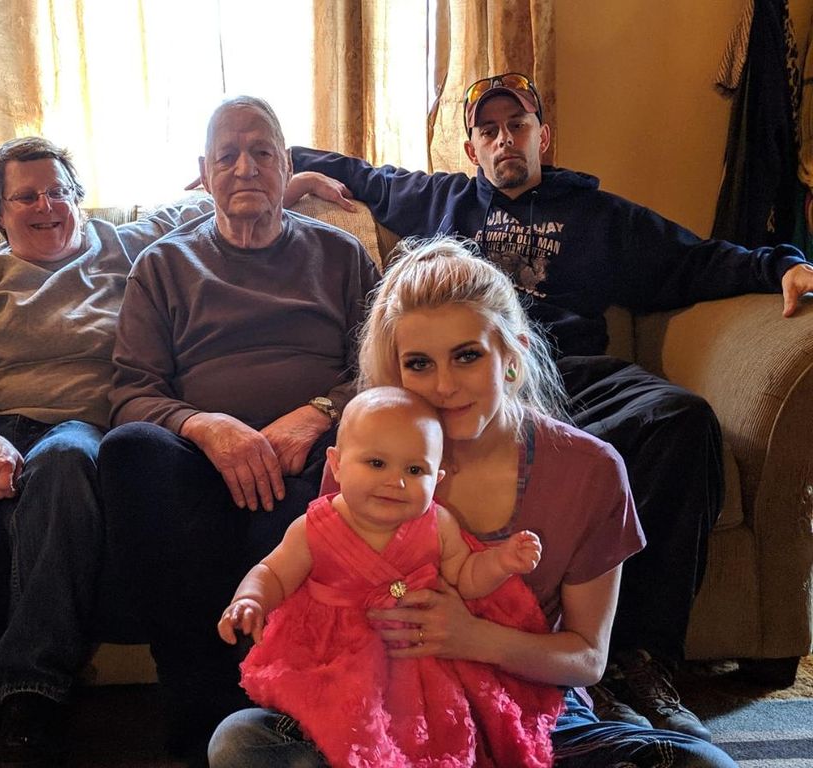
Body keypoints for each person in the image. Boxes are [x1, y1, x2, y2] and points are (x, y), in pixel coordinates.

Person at [285, 71, 813, 739]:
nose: (504, 138)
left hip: (574, 374)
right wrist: (285, 168)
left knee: (681, 421)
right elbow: (362, 174)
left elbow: (692, 259)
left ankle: (639, 660)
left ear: (544, 136)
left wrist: (781, 265)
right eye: (488, 130)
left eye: (518, 125)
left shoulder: (596, 213)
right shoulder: (442, 199)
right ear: (472, 149)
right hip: (467, 384)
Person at [209, 237, 739, 768]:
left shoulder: (590, 470)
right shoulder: (368, 463)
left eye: (467, 356)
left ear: (512, 355)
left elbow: (586, 658)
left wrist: (471, 637)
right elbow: (315, 583)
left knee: (702, 764)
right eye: (419, 363)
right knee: (241, 742)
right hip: (379, 704)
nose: (444, 386)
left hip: (529, 708)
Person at [0, 136, 216, 768]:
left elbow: (213, 201)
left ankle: (32, 693)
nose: (46, 206)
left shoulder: (126, 246)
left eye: (58, 191)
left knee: (66, 461)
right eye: (25, 196)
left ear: (79, 199)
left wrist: (301, 181)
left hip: (79, 428)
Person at [98, 96, 381, 760]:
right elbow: (131, 393)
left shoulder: (341, 256)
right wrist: (205, 425)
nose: (246, 168)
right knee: (129, 450)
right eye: (228, 155)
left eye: (261, 152)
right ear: (205, 172)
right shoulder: (163, 265)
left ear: (286, 164)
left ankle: (291, 712)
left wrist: (318, 412)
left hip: (312, 452)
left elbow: (385, 367)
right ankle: (195, 701)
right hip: (197, 461)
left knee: (350, 464)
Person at [217, 385, 563, 767]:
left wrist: (500, 563)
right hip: (334, 665)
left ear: (438, 478)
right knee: (282, 737)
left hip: (418, 667)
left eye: (414, 470)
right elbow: (272, 573)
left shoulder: (437, 524)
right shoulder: (314, 528)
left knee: (434, 739)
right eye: (377, 463)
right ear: (337, 464)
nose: (395, 481)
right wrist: (250, 599)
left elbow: (466, 578)